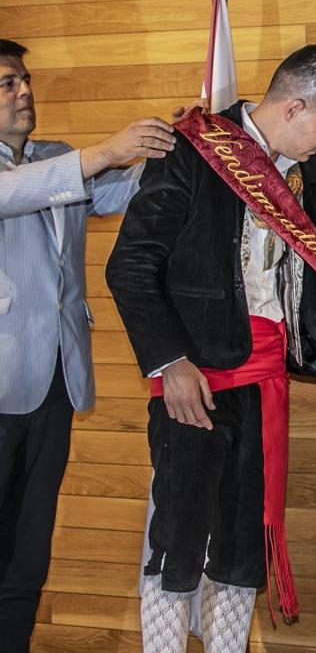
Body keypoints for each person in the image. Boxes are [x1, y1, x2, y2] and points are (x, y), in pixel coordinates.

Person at [106, 44, 316, 653]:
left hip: (265, 374)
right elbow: (130, 267)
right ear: (295, 105)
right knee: (178, 538)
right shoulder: (194, 147)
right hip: (193, 375)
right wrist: (170, 362)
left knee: (242, 541)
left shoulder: (309, 172)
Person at [0, 38, 177, 651]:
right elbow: (13, 191)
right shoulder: (54, 166)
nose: (24, 91)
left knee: (28, 547)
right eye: (6, 83)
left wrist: (170, 150)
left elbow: (113, 192)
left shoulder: (54, 158)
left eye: (24, 79)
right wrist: (104, 151)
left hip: (55, 377)